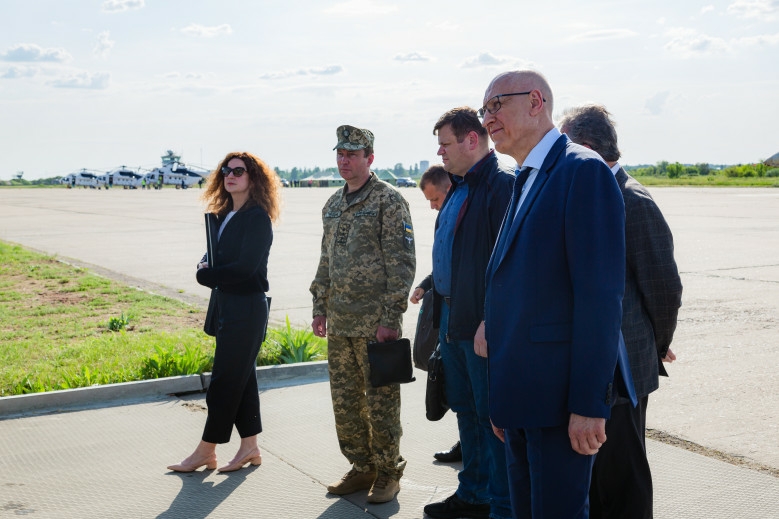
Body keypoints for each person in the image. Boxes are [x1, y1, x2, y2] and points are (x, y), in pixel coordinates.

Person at [480, 70, 626, 519]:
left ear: (536, 101)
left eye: (496, 105)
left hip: (561, 406)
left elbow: (600, 300)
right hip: (522, 400)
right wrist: (502, 397)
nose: (488, 118)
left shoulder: (582, 172)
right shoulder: (525, 177)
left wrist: (588, 404)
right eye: (484, 110)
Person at [559, 104, 683, 519]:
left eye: (567, 144)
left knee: (623, 476)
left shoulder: (632, 199)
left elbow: (664, 288)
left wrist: (656, 342)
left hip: (626, 368)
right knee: (595, 478)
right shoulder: (590, 192)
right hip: (596, 365)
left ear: (589, 147)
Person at [310, 125, 416, 504]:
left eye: (352, 154)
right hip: (339, 322)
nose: (344, 160)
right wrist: (319, 305)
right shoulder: (333, 205)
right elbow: (326, 260)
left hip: (375, 325)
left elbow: (402, 265)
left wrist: (391, 317)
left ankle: (388, 472)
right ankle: (362, 466)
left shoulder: (389, 201)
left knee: (381, 402)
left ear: (370, 158)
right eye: (340, 153)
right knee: (346, 404)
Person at [418, 107, 514, 519]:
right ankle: (473, 493)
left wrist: (490, 319)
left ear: (471, 141)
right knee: (466, 411)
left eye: (445, 144)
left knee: (492, 419)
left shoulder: (500, 185)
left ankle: (500, 502)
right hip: (453, 322)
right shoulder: (458, 187)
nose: (440, 154)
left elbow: (509, 263)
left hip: (480, 327)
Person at [167, 151, 281, 474]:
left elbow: (245, 269)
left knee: (223, 382)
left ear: (252, 178)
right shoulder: (222, 215)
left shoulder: (257, 218)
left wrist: (208, 275)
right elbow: (213, 258)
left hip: (247, 308)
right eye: (225, 170)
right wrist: (206, 267)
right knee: (242, 380)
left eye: (238, 171)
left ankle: (206, 450)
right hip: (226, 307)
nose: (230, 175)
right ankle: (250, 447)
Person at [410, 164, 461, 464]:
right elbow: (445, 262)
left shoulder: (460, 212)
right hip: (448, 313)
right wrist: (426, 284)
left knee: (467, 392)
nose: (432, 207)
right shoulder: (447, 214)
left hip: (464, 315)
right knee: (454, 385)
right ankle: (465, 443)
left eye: (435, 200)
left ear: (449, 189)